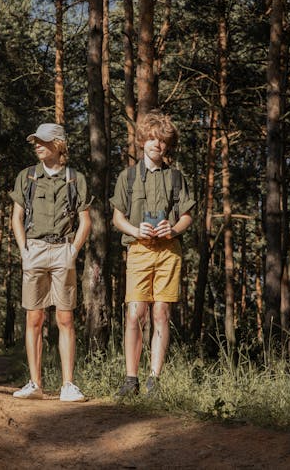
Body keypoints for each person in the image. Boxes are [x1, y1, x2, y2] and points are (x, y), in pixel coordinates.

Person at [110, 110, 196, 397]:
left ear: (167, 146)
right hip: (138, 251)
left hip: (168, 252)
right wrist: (135, 231)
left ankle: (153, 381)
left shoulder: (175, 177)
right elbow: (117, 218)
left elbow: (186, 217)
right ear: (142, 141)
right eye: (151, 139)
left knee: (161, 312)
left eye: (161, 141)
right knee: (136, 313)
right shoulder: (129, 176)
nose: (156, 145)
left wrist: (172, 230)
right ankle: (130, 379)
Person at [9, 123, 92, 402]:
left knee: (65, 318)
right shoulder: (27, 177)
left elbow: (85, 221)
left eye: (43, 141)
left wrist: (74, 251)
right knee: (34, 317)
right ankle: (35, 383)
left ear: (59, 144)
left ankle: (68, 384)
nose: (37, 145)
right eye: (35, 141)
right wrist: (24, 250)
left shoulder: (75, 178)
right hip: (34, 249)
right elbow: (16, 217)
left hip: (63, 251)